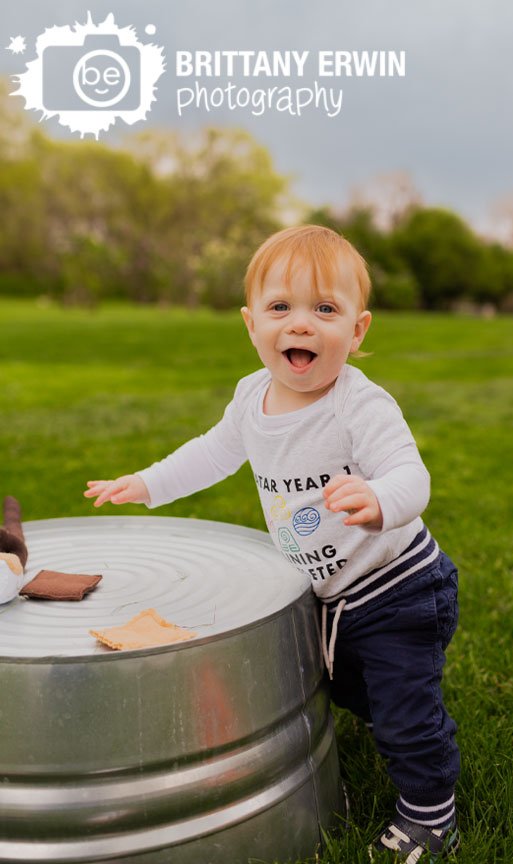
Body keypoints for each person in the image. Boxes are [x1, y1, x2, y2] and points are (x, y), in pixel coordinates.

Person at [84, 225, 461, 861]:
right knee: (344, 690)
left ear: (358, 330)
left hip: (398, 589)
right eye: (281, 308)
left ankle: (431, 814)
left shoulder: (358, 405)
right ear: (251, 323)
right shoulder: (250, 398)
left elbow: (410, 475)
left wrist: (379, 502)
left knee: (404, 713)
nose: (302, 325)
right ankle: (395, 729)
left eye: (325, 309)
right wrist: (148, 483)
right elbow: (210, 454)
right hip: (326, 592)